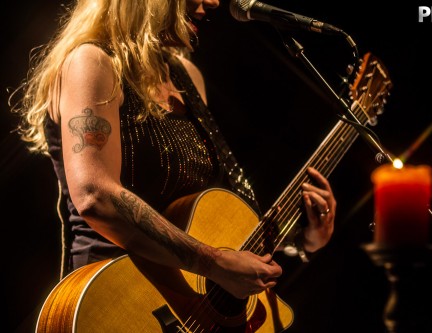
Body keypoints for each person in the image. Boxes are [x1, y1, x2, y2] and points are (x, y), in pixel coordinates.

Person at [10, 0, 335, 329]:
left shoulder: (186, 77)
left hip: (188, 304)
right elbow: (95, 195)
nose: (213, 3)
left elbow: (210, 218)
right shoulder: (92, 61)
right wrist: (214, 262)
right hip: (121, 303)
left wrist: (302, 241)